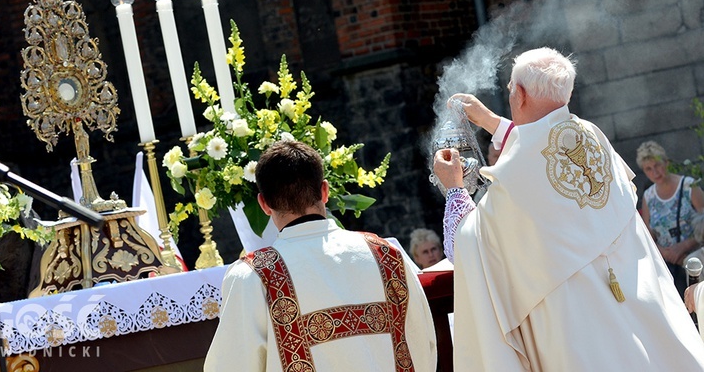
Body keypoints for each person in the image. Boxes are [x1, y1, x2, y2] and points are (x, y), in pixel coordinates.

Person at [433, 47, 704, 370]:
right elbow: (544, 142)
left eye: (509, 91)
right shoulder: (592, 137)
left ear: (519, 94)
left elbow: (468, 245)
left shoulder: (515, 176)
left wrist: (454, 189)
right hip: (635, 302)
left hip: (577, 325)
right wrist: (492, 122)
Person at [203, 140, 437, 371]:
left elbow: (230, 365)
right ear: (325, 191)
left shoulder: (253, 276)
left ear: (264, 204)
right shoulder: (386, 254)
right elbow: (424, 343)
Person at [637, 140, 704, 297]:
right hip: (667, 265)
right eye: (649, 169)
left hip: (694, 260)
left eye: (658, 165)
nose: (655, 172)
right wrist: (665, 253)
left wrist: (682, 248)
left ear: (666, 162)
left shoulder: (689, 186)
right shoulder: (648, 196)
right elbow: (648, 235)